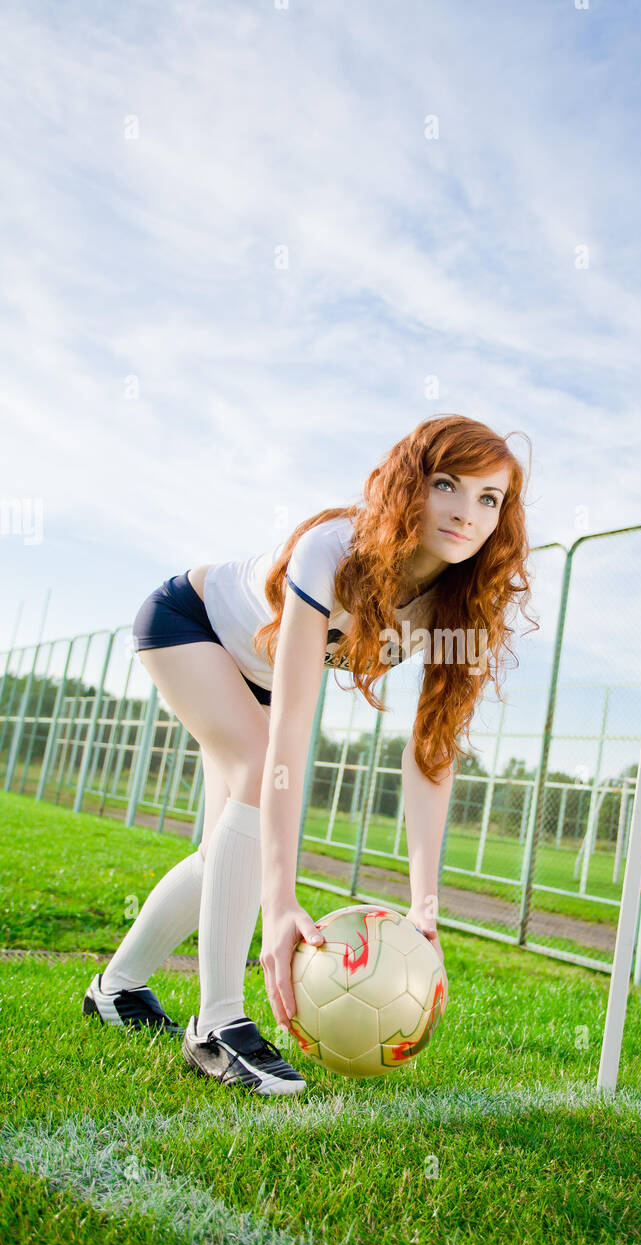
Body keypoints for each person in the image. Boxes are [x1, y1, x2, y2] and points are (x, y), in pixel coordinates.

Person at [83, 414, 536, 1096]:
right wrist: (280, 898)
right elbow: (292, 732)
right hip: (188, 622)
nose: (466, 512)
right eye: (448, 484)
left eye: (488, 499)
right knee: (257, 770)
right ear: (413, 483)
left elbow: (431, 751)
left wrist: (426, 903)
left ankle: (115, 990)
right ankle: (217, 1026)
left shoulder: (456, 605)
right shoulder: (334, 550)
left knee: (223, 857)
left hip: (257, 675)